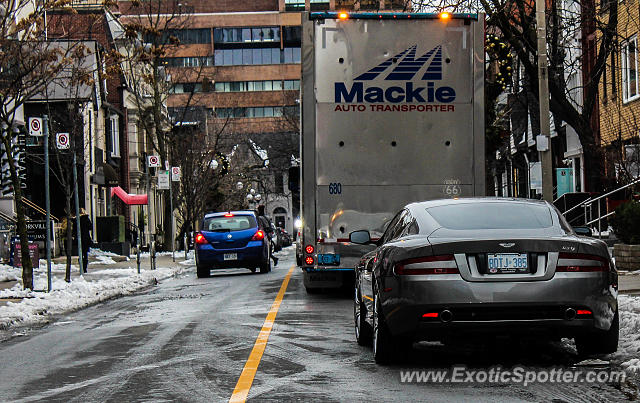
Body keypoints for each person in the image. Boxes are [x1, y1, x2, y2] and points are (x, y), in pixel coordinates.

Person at [78, 208, 93, 273]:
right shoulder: (87, 219)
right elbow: (90, 227)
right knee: (85, 253)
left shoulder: (77, 220)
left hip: (79, 238)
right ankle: (85, 268)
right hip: (86, 238)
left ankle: (81, 266)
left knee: (80, 253)